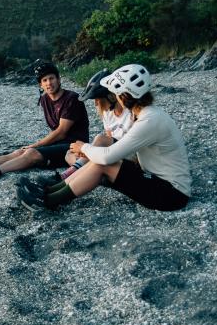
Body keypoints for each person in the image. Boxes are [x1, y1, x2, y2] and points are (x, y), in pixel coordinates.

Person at [17, 63, 191, 213]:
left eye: (116, 93)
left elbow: (107, 156)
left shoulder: (149, 120)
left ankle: (48, 201)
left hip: (172, 195)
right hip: (157, 180)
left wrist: (83, 148)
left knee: (103, 163)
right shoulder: (147, 114)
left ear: (124, 96)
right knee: (100, 160)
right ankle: (49, 191)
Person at [0, 61, 89, 181]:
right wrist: (34, 146)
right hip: (59, 144)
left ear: (59, 79)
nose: (49, 83)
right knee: (20, 151)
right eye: (45, 80)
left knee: (31, 152)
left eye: (52, 78)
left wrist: (36, 145)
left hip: (74, 147)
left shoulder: (71, 99)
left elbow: (61, 132)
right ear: (40, 84)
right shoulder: (45, 99)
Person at [60, 68, 132, 179]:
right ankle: (87, 170)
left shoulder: (131, 113)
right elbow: (110, 138)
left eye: (97, 99)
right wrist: (89, 152)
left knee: (100, 139)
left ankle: (65, 176)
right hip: (112, 153)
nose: (96, 104)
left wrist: (90, 150)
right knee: (69, 155)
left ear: (111, 96)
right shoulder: (108, 114)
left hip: (128, 155)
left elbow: (106, 142)